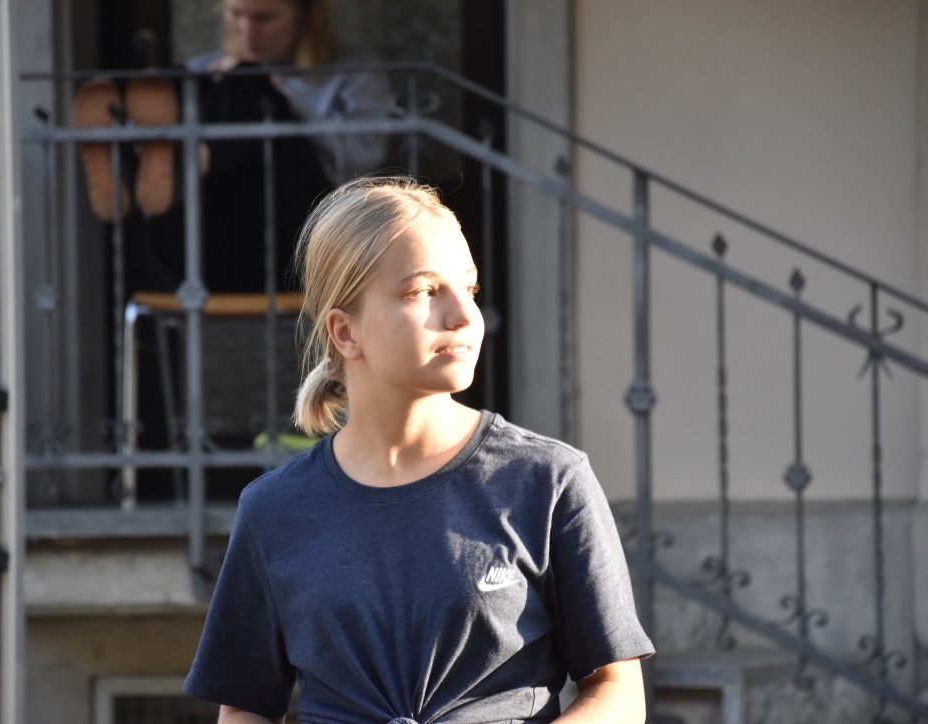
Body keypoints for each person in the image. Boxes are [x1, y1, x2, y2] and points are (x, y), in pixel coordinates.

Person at [182, 175, 655, 722]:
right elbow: (244, 710)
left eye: (470, 289)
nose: (464, 316)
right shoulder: (272, 510)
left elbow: (618, 693)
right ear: (345, 332)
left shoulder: (548, 480)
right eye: (424, 292)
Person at [176, 0, 391, 293]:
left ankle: (185, 164)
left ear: (304, 15)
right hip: (217, 223)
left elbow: (360, 159)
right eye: (235, 15)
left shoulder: (354, 71)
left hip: (308, 223)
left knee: (249, 86)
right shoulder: (207, 67)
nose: (247, 31)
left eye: (264, 19)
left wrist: (282, 94)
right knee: (198, 84)